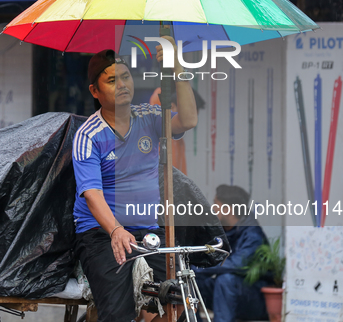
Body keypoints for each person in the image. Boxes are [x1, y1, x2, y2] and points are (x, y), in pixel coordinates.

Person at [72, 38, 198, 322]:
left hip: (148, 230)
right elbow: (91, 193)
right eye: (112, 80)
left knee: (178, 301)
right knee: (118, 313)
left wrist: (176, 65)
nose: (122, 84)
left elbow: (188, 120)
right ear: (94, 90)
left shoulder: (151, 117)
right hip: (102, 234)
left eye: (126, 77)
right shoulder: (88, 135)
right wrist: (116, 230)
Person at [194, 185, 271, 322]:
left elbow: (236, 264)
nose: (212, 209)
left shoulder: (253, 235)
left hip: (255, 299)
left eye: (215, 205)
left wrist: (200, 267)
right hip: (229, 292)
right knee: (191, 281)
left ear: (227, 209)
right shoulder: (222, 231)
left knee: (226, 279)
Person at [149, 87, 206, 175]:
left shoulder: (178, 139)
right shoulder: (157, 135)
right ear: (172, 107)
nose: (191, 122)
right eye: (189, 116)